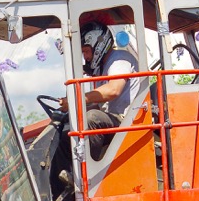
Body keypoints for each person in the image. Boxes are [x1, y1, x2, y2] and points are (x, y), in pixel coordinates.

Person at [59, 21, 147, 160]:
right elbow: (102, 104)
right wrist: (74, 107)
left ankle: (87, 172)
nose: (86, 57)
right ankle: (64, 176)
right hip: (115, 119)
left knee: (92, 119)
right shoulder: (103, 67)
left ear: (99, 44)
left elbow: (113, 90)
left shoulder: (119, 59)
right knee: (65, 127)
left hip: (128, 120)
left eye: (86, 51)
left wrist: (76, 100)